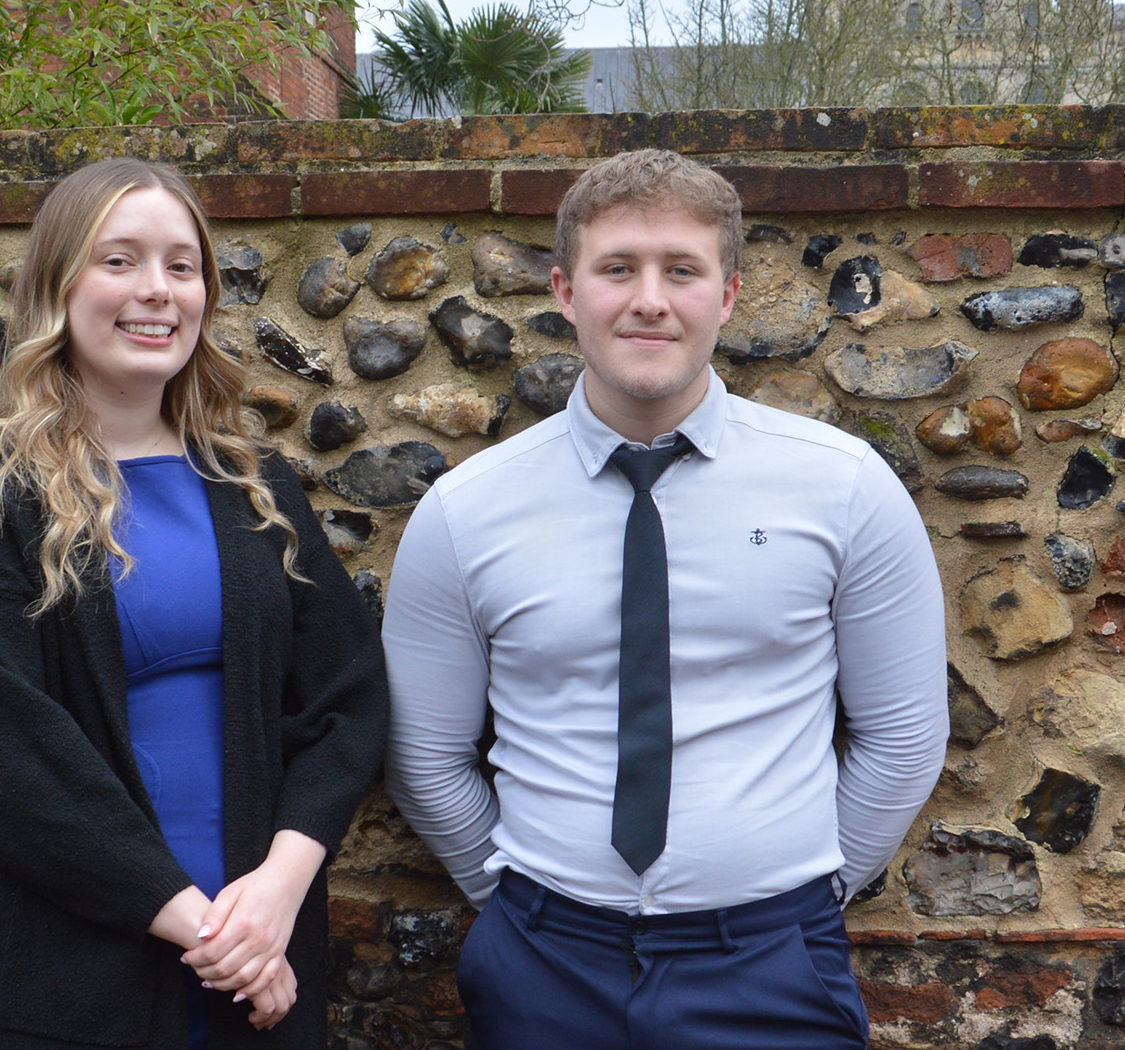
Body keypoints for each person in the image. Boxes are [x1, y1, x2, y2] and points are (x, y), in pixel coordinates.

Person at [383, 148, 949, 1050]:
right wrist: (518, 905)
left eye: (681, 270)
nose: (650, 298)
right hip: (544, 967)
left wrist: (801, 900)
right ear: (567, 292)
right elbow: (426, 755)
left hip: (770, 967)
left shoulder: (843, 488)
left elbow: (904, 736)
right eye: (619, 269)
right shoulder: (466, 512)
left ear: (725, 297)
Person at [0, 157, 387, 1050]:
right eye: (118, 260)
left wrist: (278, 891)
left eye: (180, 264)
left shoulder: (252, 481)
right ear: (58, 283)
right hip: (82, 978)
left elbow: (347, 697)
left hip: (265, 962)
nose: (156, 291)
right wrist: (214, 937)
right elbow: (5, 755)